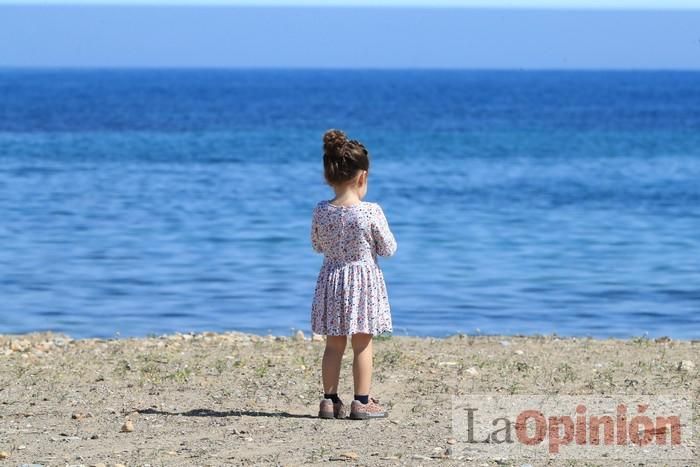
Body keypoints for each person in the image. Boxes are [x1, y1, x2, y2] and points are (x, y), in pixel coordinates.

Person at [310, 129, 397, 420]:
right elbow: (388, 248)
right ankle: (361, 401)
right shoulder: (370, 212)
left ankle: (329, 400)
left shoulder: (321, 210)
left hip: (332, 279)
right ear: (362, 177)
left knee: (334, 344)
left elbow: (317, 245)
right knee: (363, 343)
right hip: (363, 282)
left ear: (329, 176)